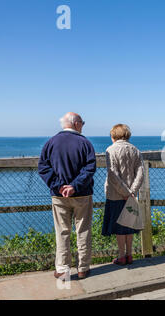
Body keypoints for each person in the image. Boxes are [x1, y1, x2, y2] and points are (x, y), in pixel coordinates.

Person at [38, 112, 96, 280]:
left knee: (62, 231)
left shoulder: (50, 143)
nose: (83, 125)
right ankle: (83, 268)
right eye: (82, 122)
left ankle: (62, 269)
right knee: (83, 230)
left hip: (58, 196)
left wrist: (59, 186)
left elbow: (43, 167)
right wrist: (74, 186)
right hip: (82, 195)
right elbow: (90, 168)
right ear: (76, 123)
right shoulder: (85, 143)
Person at [102, 124, 145, 265]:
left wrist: (125, 192)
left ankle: (121, 256)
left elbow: (112, 174)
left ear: (114, 135)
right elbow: (141, 174)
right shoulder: (135, 150)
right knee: (129, 225)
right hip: (132, 196)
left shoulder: (110, 150)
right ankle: (129, 254)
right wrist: (132, 191)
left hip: (116, 195)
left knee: (119, 227)